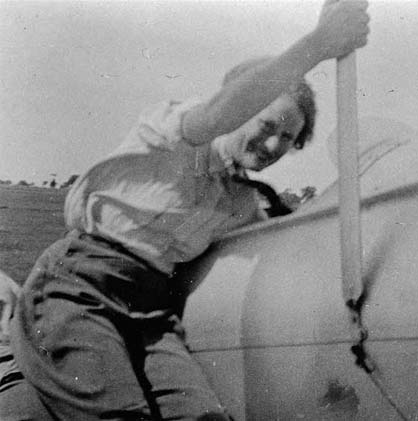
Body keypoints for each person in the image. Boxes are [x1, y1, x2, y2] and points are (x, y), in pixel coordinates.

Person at [6, 1, 370, 419]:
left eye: (288, 137)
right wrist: (319, 44)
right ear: (242, 106)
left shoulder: (242, 202)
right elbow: (219, 113)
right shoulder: (180, 137)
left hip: (152, 316)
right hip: (75, 292)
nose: (273, 145)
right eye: (266, 125)